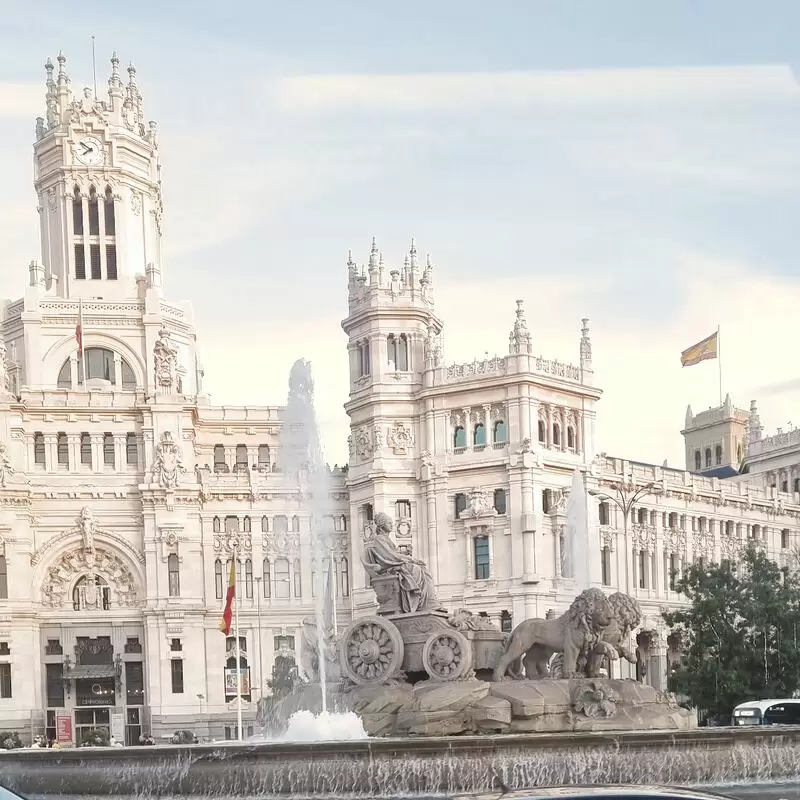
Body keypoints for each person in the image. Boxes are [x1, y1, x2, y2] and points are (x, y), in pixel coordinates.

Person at [362, 512, 444, 614]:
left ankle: (430, 602)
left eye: (391, 523)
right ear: (382, 526)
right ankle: (418, 604)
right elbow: (390, 556)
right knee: (415, 568)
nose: (392, 525)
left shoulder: (386, 539)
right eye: (389, 523)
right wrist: (411, 559)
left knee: (424, 570)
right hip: (389, 568)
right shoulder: (379, 539)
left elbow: (394, 554)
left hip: (394, 565)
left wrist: (406, 553)